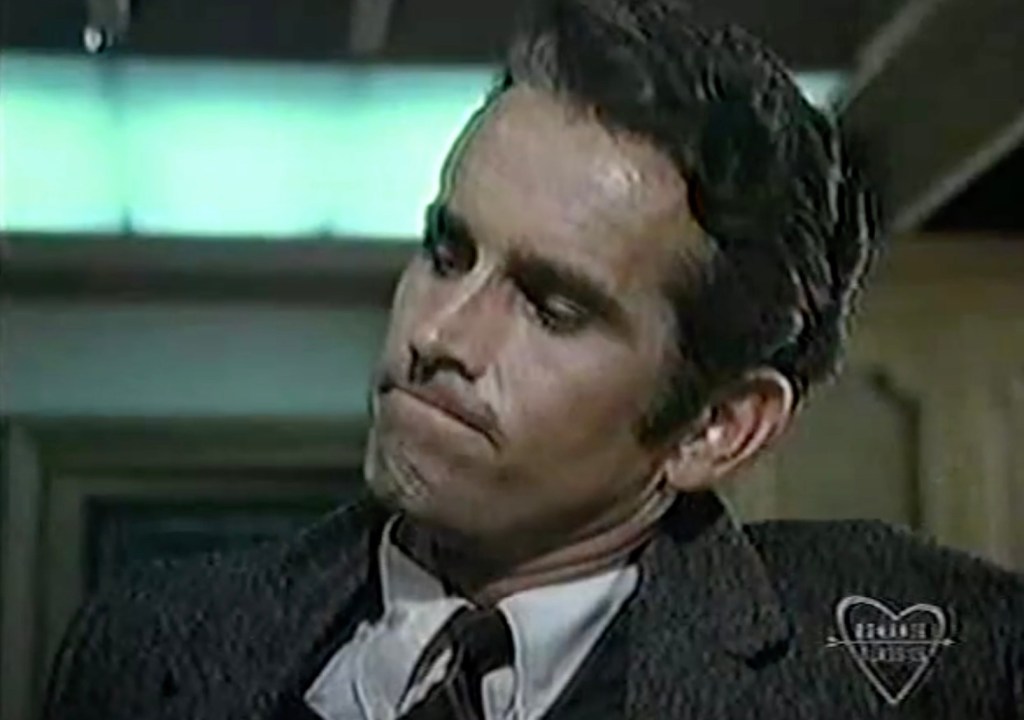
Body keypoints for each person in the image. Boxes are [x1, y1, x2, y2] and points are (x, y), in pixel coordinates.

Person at [43, 1, 1023, 718]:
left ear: (714, 426)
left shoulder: (939, 660)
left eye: (552, 307)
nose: (437, 336)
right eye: (447, 252)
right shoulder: (141, 647)